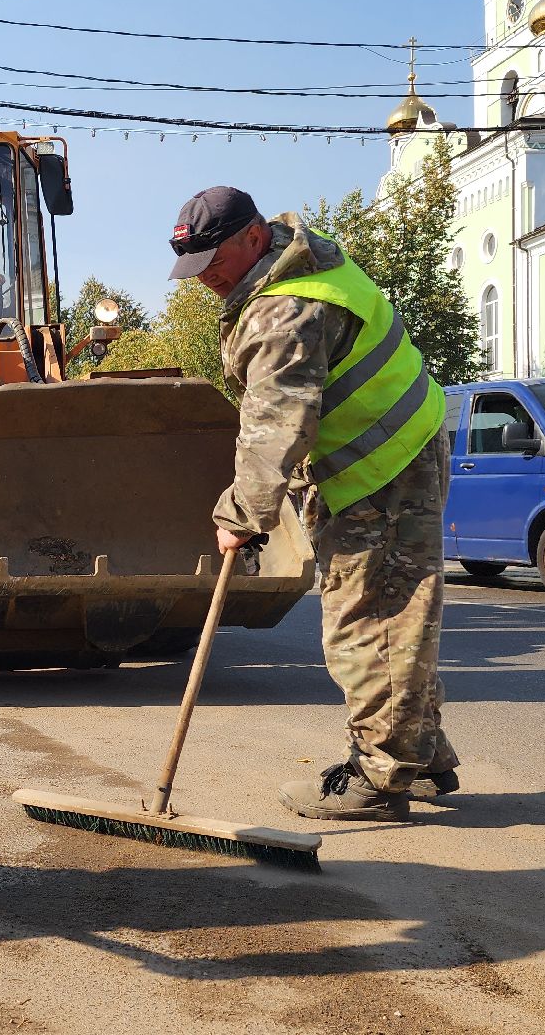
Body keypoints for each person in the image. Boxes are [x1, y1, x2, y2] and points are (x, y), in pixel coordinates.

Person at [166, 186, 458, 823]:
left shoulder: (288, 310)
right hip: (401, 447)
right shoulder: (307, 266)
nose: (205, 279)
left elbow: (276, 425)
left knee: (370, 622)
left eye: (214, 261)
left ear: (252, 237)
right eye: (196, 268)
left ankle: (380, 781)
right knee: (400, 611)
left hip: (378, 469)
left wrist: (241, 514)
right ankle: (419, 751)